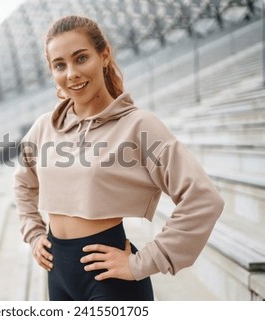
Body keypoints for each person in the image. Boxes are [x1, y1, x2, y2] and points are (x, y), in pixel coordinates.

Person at [12, 15, 224, 301]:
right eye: (59, 65)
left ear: (104, 55)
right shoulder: (44, 127)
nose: (71, 73)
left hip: (109, 279)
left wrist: (145, 261)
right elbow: (23, 184)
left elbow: (203, 198)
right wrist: (35, 234)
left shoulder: (138, 126)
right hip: (57, 273)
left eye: (81, 58)